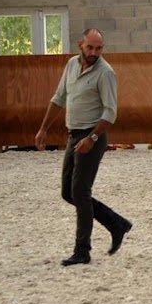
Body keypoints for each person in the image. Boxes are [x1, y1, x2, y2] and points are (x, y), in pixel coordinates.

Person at [35, 28, 132, 266]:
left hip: (92, 137)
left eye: (99, 48)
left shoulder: (105, 73)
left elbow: (110, 113)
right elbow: (59, 98)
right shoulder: (70, 65)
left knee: (80, 191)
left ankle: (82, 251)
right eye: (90, 47)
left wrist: (93, 139)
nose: (94, 52)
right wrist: (44, 128)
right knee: (68, 192)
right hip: (73, 135)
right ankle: (116, 223)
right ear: (81, 44)